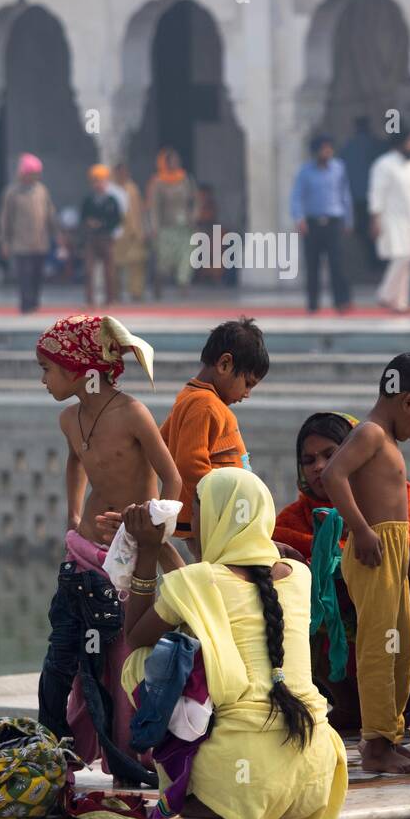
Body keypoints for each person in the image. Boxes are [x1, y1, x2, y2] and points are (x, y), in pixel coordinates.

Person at [122, 467, 348, 819]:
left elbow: (135, 635)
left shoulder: (198, 581)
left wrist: (147, 551)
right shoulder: (298, 573)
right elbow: (206, 593)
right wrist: (163, 547)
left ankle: (198, 787)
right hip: (316, 773)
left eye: (197, 512)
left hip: (245, 778)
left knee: (142, 662)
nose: (192, 524)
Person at [34, 313, 183, 774]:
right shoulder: (68, 418)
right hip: (86, 550)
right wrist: (74, 516)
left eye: (48, 370)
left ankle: (129, 755)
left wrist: (156, 527)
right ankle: (76, 748)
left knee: (123, 652)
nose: (43, 380)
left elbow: (173, 478)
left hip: (131, 552)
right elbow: (76, 464)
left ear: (82, 370)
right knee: (81, 649)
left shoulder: (132, 412)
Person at [274, 411, 410, 732]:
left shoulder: (394, 494)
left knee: (409, 574)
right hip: (346, 656)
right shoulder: (294, 519)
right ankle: (351, 706)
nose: (318, 467)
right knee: (294, 584)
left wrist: (351, 555)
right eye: (308, 459)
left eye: (330, 454)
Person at [321, 352, 410, 775]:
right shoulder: (371, 434)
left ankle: (390, 735)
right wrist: (360, 530)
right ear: (409, 401)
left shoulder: (386, 440)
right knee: (380, 646)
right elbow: (332, 476)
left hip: (392, 549)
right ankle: (374, 744)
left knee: (403, 646)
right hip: (372, 548)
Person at [160, 317, 268, 550]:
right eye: (247, 383)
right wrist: (220, 508)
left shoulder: (191, 397)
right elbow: (190, 464)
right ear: (225, 365)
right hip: (214, 520)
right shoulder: (205, 404)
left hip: (212, 517)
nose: (247, 394)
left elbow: (163, 441)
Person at [367, 129, 410, 313]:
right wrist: (375, 218)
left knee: (409, 258)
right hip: (391, 218)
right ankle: (385, 294)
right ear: (399, 142)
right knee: (401, 256)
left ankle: (400, 302)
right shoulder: (384, 165)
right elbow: (376, 193)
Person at [290, 134, 353, 314]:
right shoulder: (305, 171)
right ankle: (312, 303)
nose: (328, 152)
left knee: (338, 264)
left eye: (329, 148)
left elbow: (345, 195)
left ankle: (341, 301)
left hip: (334, 222)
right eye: (324, 148)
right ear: (316, 151)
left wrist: (348, 220)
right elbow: (297, 197)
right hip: (312, 224)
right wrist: (299, 218)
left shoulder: (339, 168)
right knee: (312, 265)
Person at [0, 153, 57, 313]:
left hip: (40, 242)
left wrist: (57, 234)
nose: (33, 177)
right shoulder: (12, 193)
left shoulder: (41, 191)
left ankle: (35, 302)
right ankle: (26, 305)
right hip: (20, 243)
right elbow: (5, 219)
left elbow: (50, 214)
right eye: (30, 174)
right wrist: (4, 242)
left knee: (37, 275)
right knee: (25, 276)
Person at [146, 147, 197, 297]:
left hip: (185, 226)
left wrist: (194, 216)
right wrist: (154, 226)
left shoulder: (185, 179)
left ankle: (184, 284)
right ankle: (159, 282)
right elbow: (153, 206)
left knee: (187, 255)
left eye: (177, 161)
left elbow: (194, 200)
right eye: (172, 161)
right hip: (166, 227)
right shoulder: (158, 182)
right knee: (164, 260)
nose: (175, 163)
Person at [341, 116, 384, 274]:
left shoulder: (349, 147)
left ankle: (374, 260)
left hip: (357, 197)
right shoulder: (375, 145)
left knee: (365, 230)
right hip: (372, 196)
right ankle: (376, 260)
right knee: (372, 229)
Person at [81, 164, 121, 305]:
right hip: (91, 240)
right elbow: (83, 218)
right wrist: (89, 223)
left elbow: (117, 220)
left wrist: (102, 224)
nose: (99, 184)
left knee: (109, 271)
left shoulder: (112, 201)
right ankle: (89, 300)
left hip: (107, 238)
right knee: (89, 271)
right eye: (96, 181)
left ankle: (110, 299)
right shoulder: (88, 201)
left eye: (102, 181)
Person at [112, 162, 148, 302]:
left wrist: (143, 229)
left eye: (125, 172)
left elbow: (140, 210)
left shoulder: (133, 189)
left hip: (134, 231)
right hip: (118, 232)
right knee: (116, 264)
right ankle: (116, 292)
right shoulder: (112, 189)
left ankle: (136, 292)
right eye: (119, 172)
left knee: (137, 263)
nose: (123, 175)